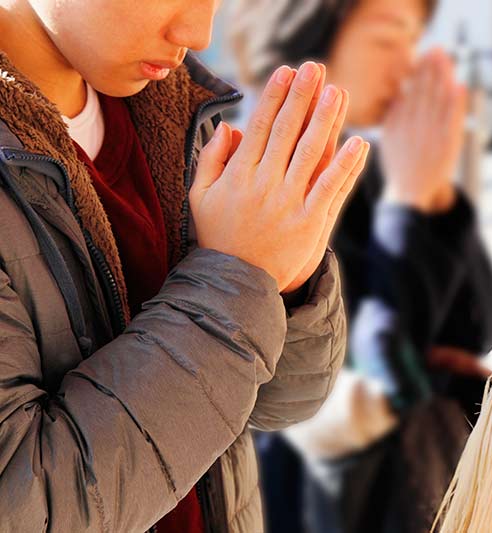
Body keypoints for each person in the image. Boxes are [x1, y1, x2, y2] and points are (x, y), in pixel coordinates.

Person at [0, 0, 369, 531]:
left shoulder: (175, 110)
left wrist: (287, 279)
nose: (197, 31)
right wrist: (235, 277)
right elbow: (26, 504)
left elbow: (280, 404)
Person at [229, 0, 492, 531]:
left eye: (412, 40)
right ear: (308, 30)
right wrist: (410, 205)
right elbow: (370, 371)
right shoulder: (255, 177)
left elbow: (478, 327)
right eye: (387, 39)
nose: (407, 64)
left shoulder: (361, 166)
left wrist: (434, 197)